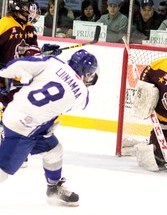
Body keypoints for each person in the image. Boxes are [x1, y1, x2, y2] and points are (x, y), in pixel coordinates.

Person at [0, 49, 100, 206]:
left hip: (13, 113)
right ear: (86, 73)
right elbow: (58, 105)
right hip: (25, 128)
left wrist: (6, 75)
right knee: (2, 172)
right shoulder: (83, 95)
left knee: (54, 150)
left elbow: (17, 65)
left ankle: (53, 189)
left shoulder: (52, 62)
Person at [0, 0, 61, 167]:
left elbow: (31, 54)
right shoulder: (5, 24)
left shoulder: (30, 29)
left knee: (16, 112)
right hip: (3, 76)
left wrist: (45, 52)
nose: (32, 12)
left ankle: (12, 148)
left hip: (17, 79)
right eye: (29, 9)